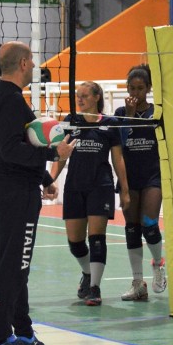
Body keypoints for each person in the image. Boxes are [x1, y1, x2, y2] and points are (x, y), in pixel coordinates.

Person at [0, 41, 76, 345]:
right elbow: (10, 151)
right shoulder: (9, 99)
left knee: (17, 263)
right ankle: (0, 341)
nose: (35, 66)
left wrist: (44, 178)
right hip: (13, 191)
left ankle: (22, 330)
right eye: (32, 61)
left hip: (6, 184)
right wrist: (54, 153)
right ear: (23, 63)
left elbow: (7, 148)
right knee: (14, 264)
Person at [49, 81, 130, 306]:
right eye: (78, 95)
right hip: (75, 186)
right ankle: (87, 273)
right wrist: (50, 180)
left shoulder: (110, 124)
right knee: (75, 242)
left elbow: (118, 159)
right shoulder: (71, 122)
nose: (80, 99)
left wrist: (124, 190)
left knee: (96, 238)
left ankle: (95, 287)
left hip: (100, 186)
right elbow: (61, 156)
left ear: (96, 97)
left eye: (85, 95)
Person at [114, 64, 166, 300]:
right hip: (129, 176)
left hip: (153, 174)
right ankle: (138, 283)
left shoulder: (157, 112)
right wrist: (129, 114)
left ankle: (158, 263)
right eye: (132, 88)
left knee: (149, 223)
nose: (135, 93)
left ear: (148, 88)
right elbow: (121, 142)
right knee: (132, 228)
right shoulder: (121, 112)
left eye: (140, 88)